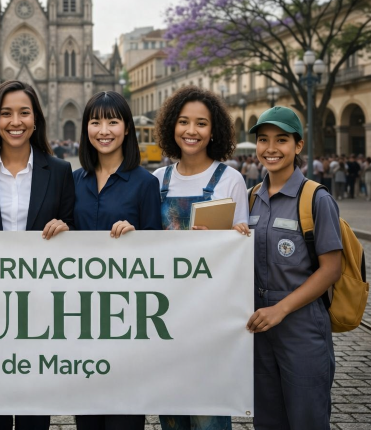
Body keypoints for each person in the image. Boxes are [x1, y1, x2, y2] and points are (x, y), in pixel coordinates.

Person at [0, 80, 74, 430]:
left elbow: (75, 229)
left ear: (36, 119)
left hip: (43, 310)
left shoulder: (60, 171)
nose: (15, 121)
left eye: (24, 112)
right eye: (6, 113)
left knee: (37, 412)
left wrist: (66, 229)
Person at [152, 86, 249, 430]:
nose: (191, 131)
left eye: (201, 123)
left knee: (208, 416)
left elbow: (243, 258)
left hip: (211, 315)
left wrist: (234, 240)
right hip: (164, 314)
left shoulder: (231, 180)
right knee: (173, 415)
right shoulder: (156, 181)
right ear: (171, 127)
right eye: (183, 122)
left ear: (214, 131)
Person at [246, 107, 342, 430]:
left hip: (302, 327)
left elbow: (331, 269)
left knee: (307, 420)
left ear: (298, 146)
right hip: (260, 330)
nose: (270, 149)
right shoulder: (251, 198)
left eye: (281, 140)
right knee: (267, 421)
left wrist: (281, 310)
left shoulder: (315, 198)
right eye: (263, 140)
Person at [72, 91, 160, 430]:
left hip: (126, 322)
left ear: (127, 129)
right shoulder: (73, 181)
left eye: (112, 121)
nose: (103, 130)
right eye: (95, 122)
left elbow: (157, 255)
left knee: (123, 418)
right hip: (80, 320)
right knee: (87, 419)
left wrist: (137, 234)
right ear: (86, 129)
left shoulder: (145, 184)